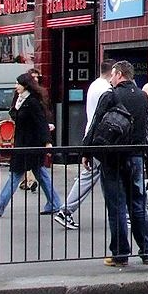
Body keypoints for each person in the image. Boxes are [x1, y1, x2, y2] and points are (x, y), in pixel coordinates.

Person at [83, 60, 148, 266]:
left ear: (119, 74)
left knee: (116, 206)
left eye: (114, 75)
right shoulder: (143, 97)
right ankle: (147, 250)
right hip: (135, 156)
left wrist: (86, 152)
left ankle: (120, 253)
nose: (112, 79)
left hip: (113, 156)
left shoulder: (111, 95)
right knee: (137, 204)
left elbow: (96, 123)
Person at [0, 72, 63, 217]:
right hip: (24, 144)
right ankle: (55, 202)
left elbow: (41, 122)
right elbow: (15, 116)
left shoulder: (32, 102)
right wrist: (16, 106)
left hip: (30, 145)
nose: (16, 87)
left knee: (15, 175)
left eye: (18, 84)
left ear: (25, 85)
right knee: (41, 175)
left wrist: (48, 142)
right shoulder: (21, 100)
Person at [55, 60, 114, 230]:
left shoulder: (95, 85)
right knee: (110, 176)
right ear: (113, 73)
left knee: (93, 175)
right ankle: (66, 210)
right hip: (102, 138)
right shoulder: (106, 89)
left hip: (92, 135)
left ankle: (66, 210)